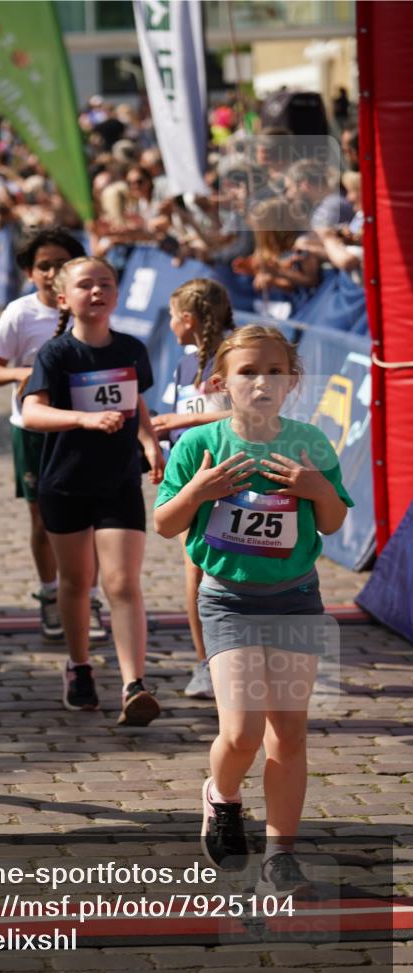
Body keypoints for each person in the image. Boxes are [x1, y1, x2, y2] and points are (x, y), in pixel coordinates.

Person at [154, 325, 353, 894]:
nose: (261, 381)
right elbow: (166, 524)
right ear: (221, 382)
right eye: (247, 371)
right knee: (241, 732)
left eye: (274, 371)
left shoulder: (311, 443)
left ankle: (281, 850)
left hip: (295, 598)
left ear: (292, 382)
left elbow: (335, 521)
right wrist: (199, 490)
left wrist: (317, 488)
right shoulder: (201, 445)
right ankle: (222, 797)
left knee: (288, 734)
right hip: (228, 600)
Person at [21, 257, 164, 725]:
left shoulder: (131, 348)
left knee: (122, 582)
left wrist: (150, 443)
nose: (97, 291)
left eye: (106, 283)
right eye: (86, 284)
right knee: (78, 582)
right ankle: (79, 666)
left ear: (117, 294)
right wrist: (83, 419)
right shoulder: (57, 354)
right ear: (65, 298)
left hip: (119, 480)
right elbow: (33, 413)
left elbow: (135, 400)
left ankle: (133, 684)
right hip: (65, 482)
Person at [0, 228, 108, 642]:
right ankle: (51, 593)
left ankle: (88, 597)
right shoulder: (20, 313)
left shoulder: (91, 306)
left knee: (91, 522)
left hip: (85, 429)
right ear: (28, 271)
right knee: (43, 521)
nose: (52, 272)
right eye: (43, 265)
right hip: (35, 433)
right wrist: (24, 373)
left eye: (60, 264)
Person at [151, 279, 234, 699]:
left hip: (237, 475)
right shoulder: (186, 364)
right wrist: (161, 449)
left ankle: (248, 656)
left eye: (171, 316)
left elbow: (243, 415)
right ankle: (206, 663)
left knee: (238, 568)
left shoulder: (238, 356)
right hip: (193, 477)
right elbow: (173, 418)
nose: (168, 324)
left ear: (187, 319)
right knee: (196, 569)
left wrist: (175, 423)